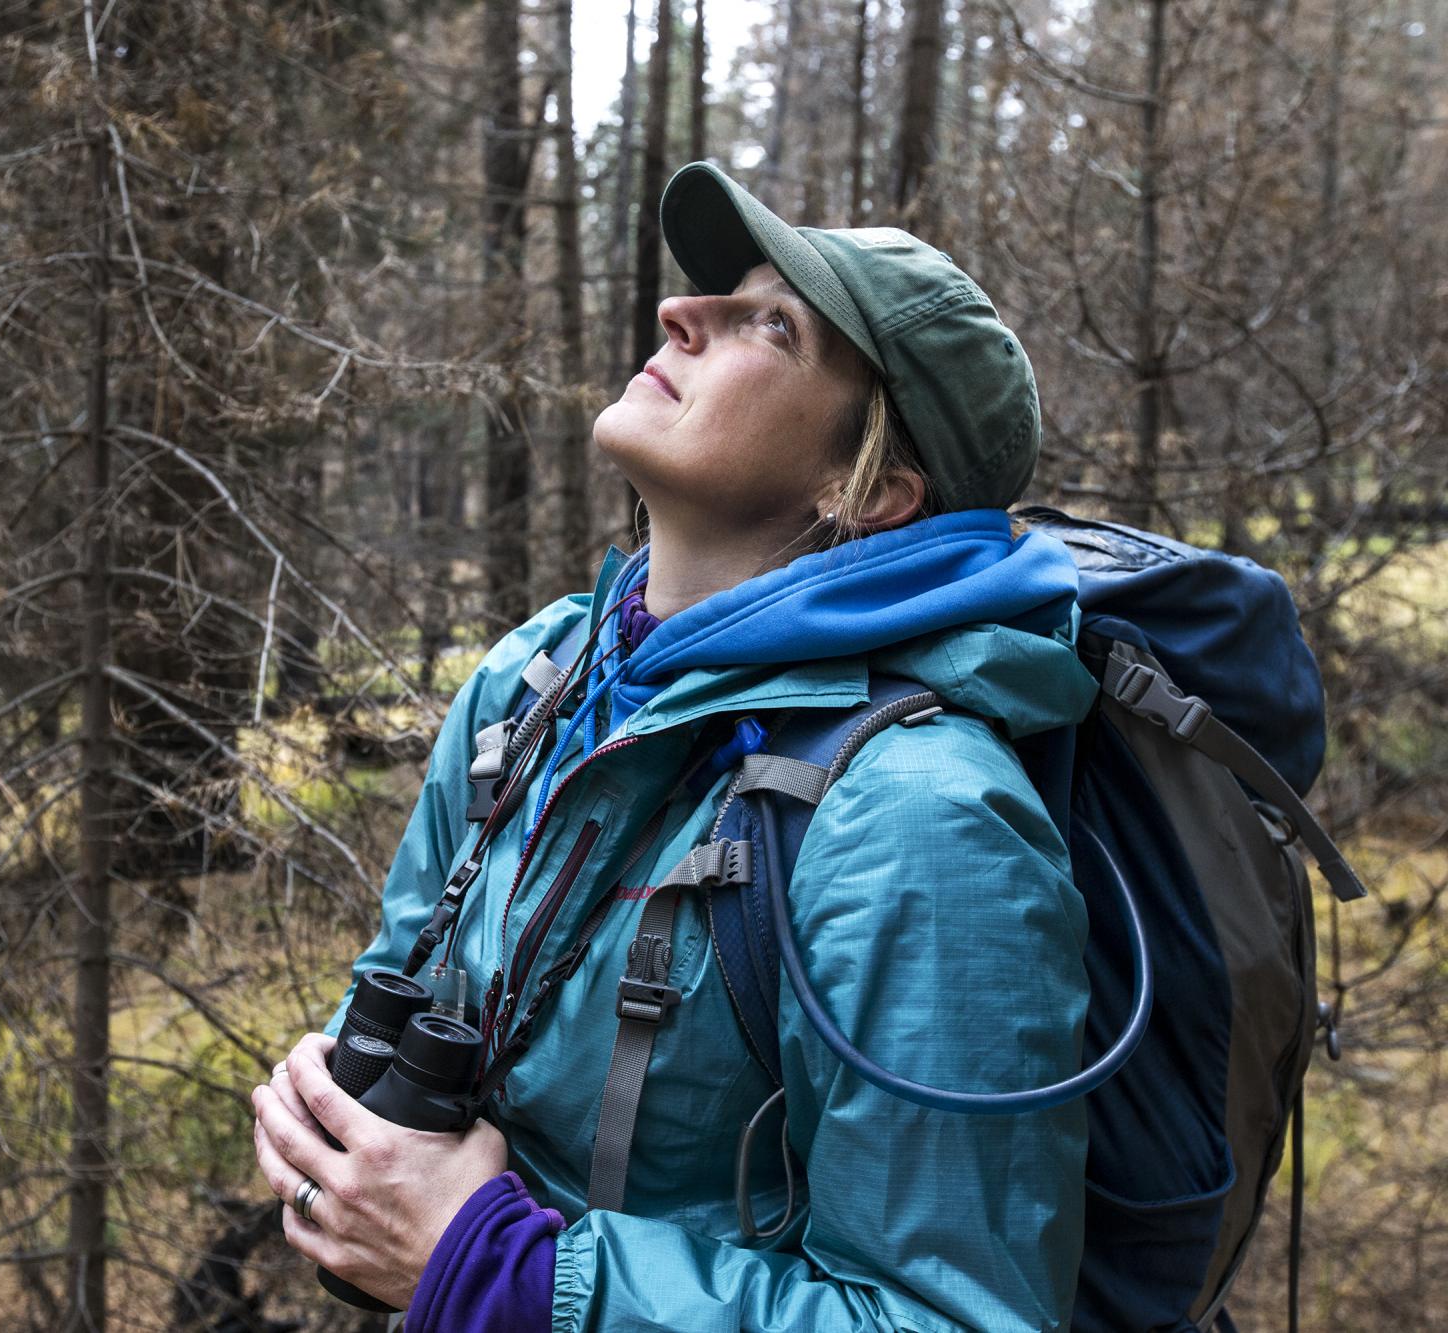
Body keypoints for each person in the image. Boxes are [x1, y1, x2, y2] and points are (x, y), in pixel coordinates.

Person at [249, 159, 1097, 1331]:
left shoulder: (913, 818)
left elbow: (952, 1316)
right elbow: (395, 990)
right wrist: (338, 1138)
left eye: (770, 326)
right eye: (714, 295)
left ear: (874, 488)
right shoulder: (532, 679)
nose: (675, 312)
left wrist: (513, 1277)